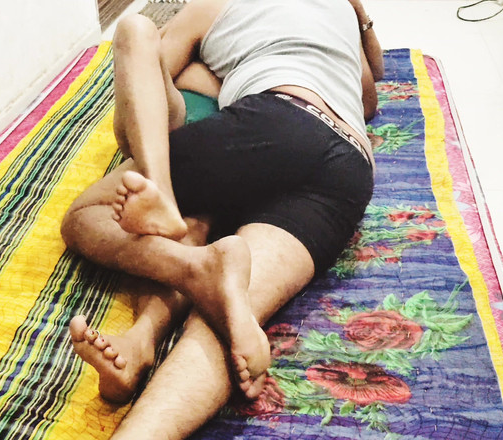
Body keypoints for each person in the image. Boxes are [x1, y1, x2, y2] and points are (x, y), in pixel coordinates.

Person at [60, 0, 384, 437]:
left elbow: (151, 88)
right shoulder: (339, 11)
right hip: (349, 166)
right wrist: (360, 16)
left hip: (277, 120)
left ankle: (193, 268)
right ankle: (141, 346)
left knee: (87, 216)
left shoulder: (212, 5)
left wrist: (206, 72)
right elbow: (368, 98)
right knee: (230, 318)